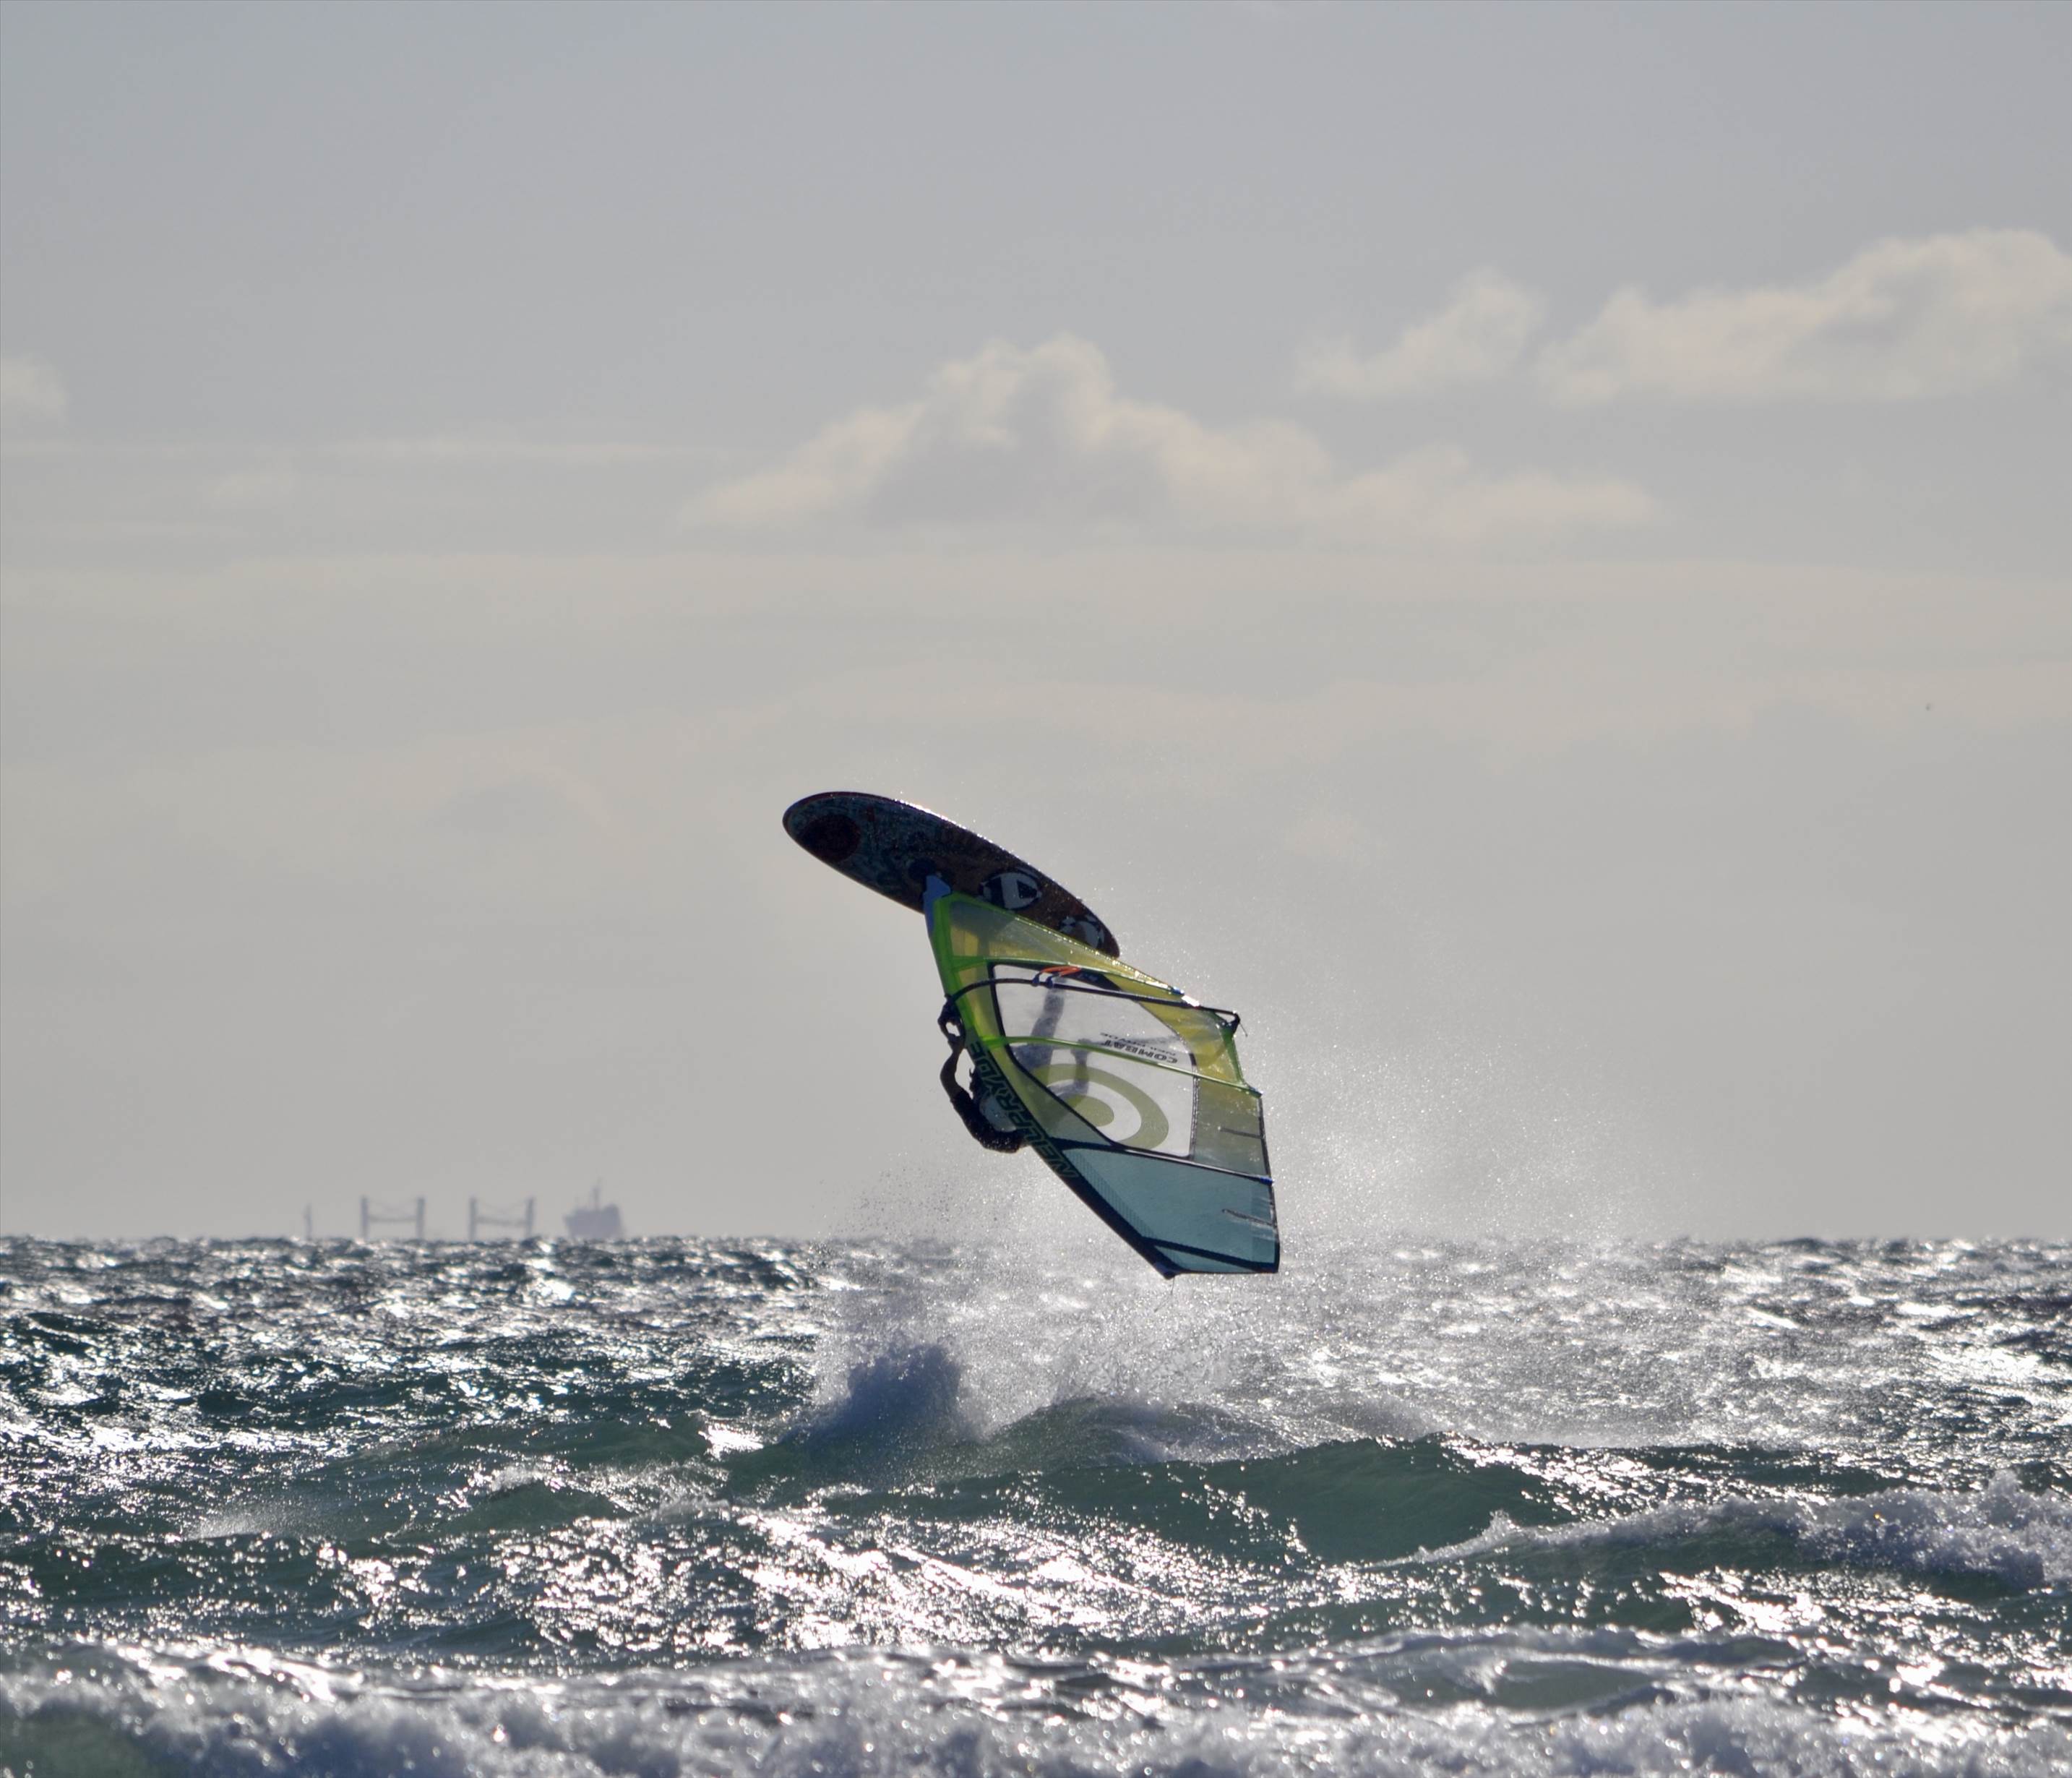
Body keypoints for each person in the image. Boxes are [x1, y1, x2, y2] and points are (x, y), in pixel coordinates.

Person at [937, 1001, 1026, 1153]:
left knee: (985, 1026)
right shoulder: (995, 1138)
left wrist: (956, 1052)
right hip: (1027, 1082)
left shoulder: (978, 1123)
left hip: (991, 1071)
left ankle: (959, 1005)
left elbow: (947, 1079)